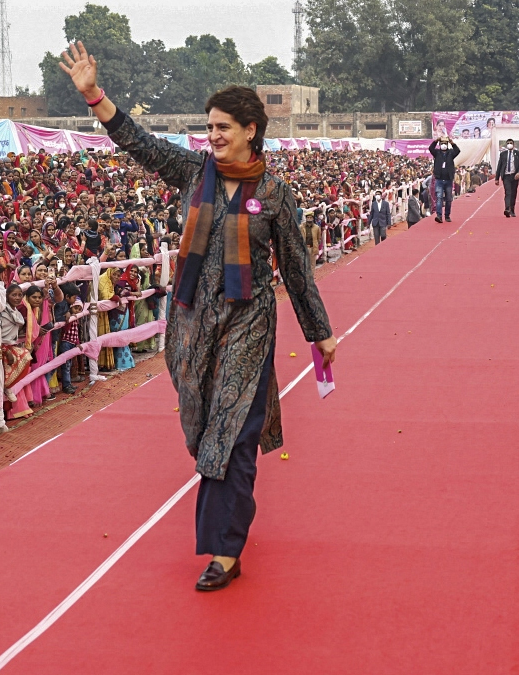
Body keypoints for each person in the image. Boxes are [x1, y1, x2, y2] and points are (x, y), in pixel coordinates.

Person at [60, 42, 336, 591]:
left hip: (249, 327)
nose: (213, 135)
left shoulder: (275, 197)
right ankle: (229, 525)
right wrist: (94, 94)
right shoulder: (193, 172)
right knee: (203, 432)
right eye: (209, 126)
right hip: (192, 327)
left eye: (224, 127)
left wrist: (320, 334)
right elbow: (136, 141)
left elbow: (298, 270)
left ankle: (224, 550)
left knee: (231, 437)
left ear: (251, 129)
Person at [428, 134, 460, 223]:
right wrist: (435, 141)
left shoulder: (451, 153)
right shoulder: (437, 153)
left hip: (448, 180)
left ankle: (447, 215)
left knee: (448, 199)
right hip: (439, 180)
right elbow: (430, 148)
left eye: (445, 143)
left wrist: (452, 142)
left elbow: (457, 150)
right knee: (439, 198)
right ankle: (439, 215)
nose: (443, 145)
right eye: (442, 143)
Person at [495, 139, 519, 218]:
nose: (509, 144)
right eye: (508, 143)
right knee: (508, 192)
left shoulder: (518, 154)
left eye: (511, 143)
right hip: (506, 176)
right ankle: (507, 209)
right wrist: (496, 178)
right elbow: (499, 166)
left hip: (515, 176)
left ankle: (512, 210)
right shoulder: (503, 154)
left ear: (513, 145)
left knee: (513, 193)